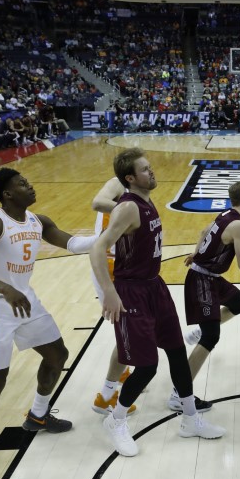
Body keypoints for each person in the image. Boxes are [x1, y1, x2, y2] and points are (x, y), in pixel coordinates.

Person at [0, 168, 99, 479]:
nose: (30, 185)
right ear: (8, 194)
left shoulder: (40, 221)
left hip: (25, 300)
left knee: (57, 356)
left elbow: (74, 243)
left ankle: (38, 415)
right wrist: (6, 289)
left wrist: (110, 235)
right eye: (22, 184)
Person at [90, 148, 225, 458]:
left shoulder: (146, 201)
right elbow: (98, 249)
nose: (151, 172)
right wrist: (110, 292)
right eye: (145, 169)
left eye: (150, 167)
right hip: (131, 291)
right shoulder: (127, 207)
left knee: (177, 352)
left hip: (154, 285)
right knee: (147, 365)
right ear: (130, 178)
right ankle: (116, 420)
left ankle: (190, 418)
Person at [173, 182, 240, 406]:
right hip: (202, 279)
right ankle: (179, 395)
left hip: (210, 277)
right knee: (211, 336)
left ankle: (200, 329)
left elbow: (204, 231)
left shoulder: (226, 213)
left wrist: (195, 253)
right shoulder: (239, 226)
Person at [89, 177, 135, 416]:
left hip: (121, 265)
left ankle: (122, 370)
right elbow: (97, 202)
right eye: (144, 167)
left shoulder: (134, 191)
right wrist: (134, 210)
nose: (150, 170)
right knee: (130, 330)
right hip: (110, 266)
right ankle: (105, 397)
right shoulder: (118, 183)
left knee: (128, 327)